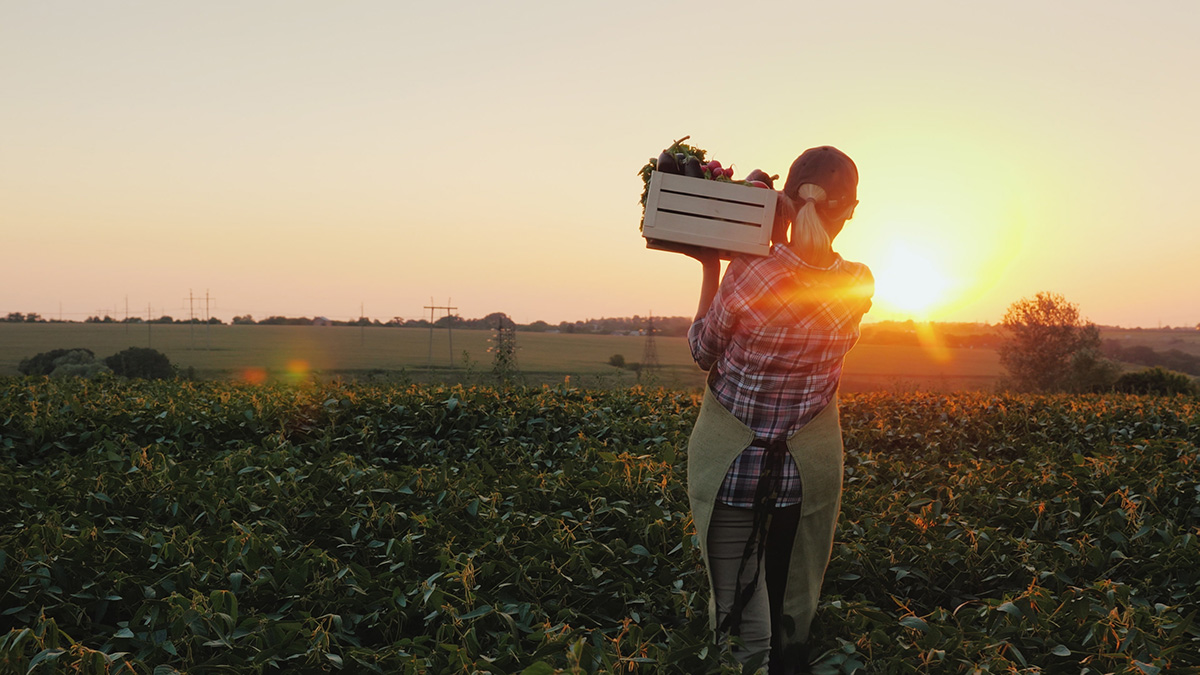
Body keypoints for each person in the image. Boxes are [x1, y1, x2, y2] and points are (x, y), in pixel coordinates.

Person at [683, 146, 873, 674]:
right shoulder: (859, 283)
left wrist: (712, 265)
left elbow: (702, 351)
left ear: (786, 201)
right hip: (802, 477)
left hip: (732, 471)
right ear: (851, 211)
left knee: (739, 622)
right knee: (789, 614)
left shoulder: (749, 271)